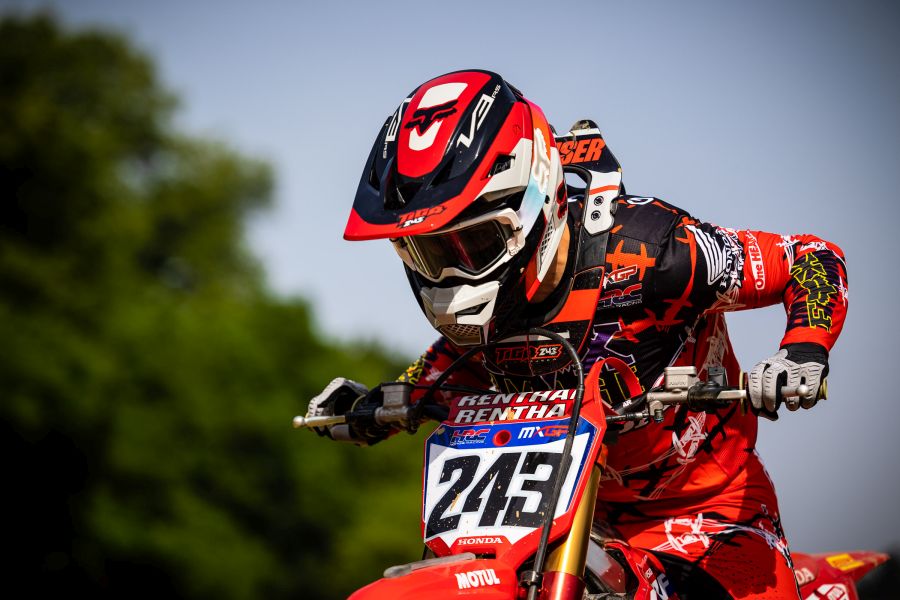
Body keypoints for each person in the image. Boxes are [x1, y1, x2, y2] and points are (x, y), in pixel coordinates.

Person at [307, 69, 847, 598]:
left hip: (708, 514)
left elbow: (808, 258)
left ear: (535, 203)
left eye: (472, 244)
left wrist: (802, 349)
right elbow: (455, 362)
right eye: (427, 252)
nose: (450, 275)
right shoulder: (486, 320)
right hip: (554, 522)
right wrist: (385, 401)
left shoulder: (656, 253)